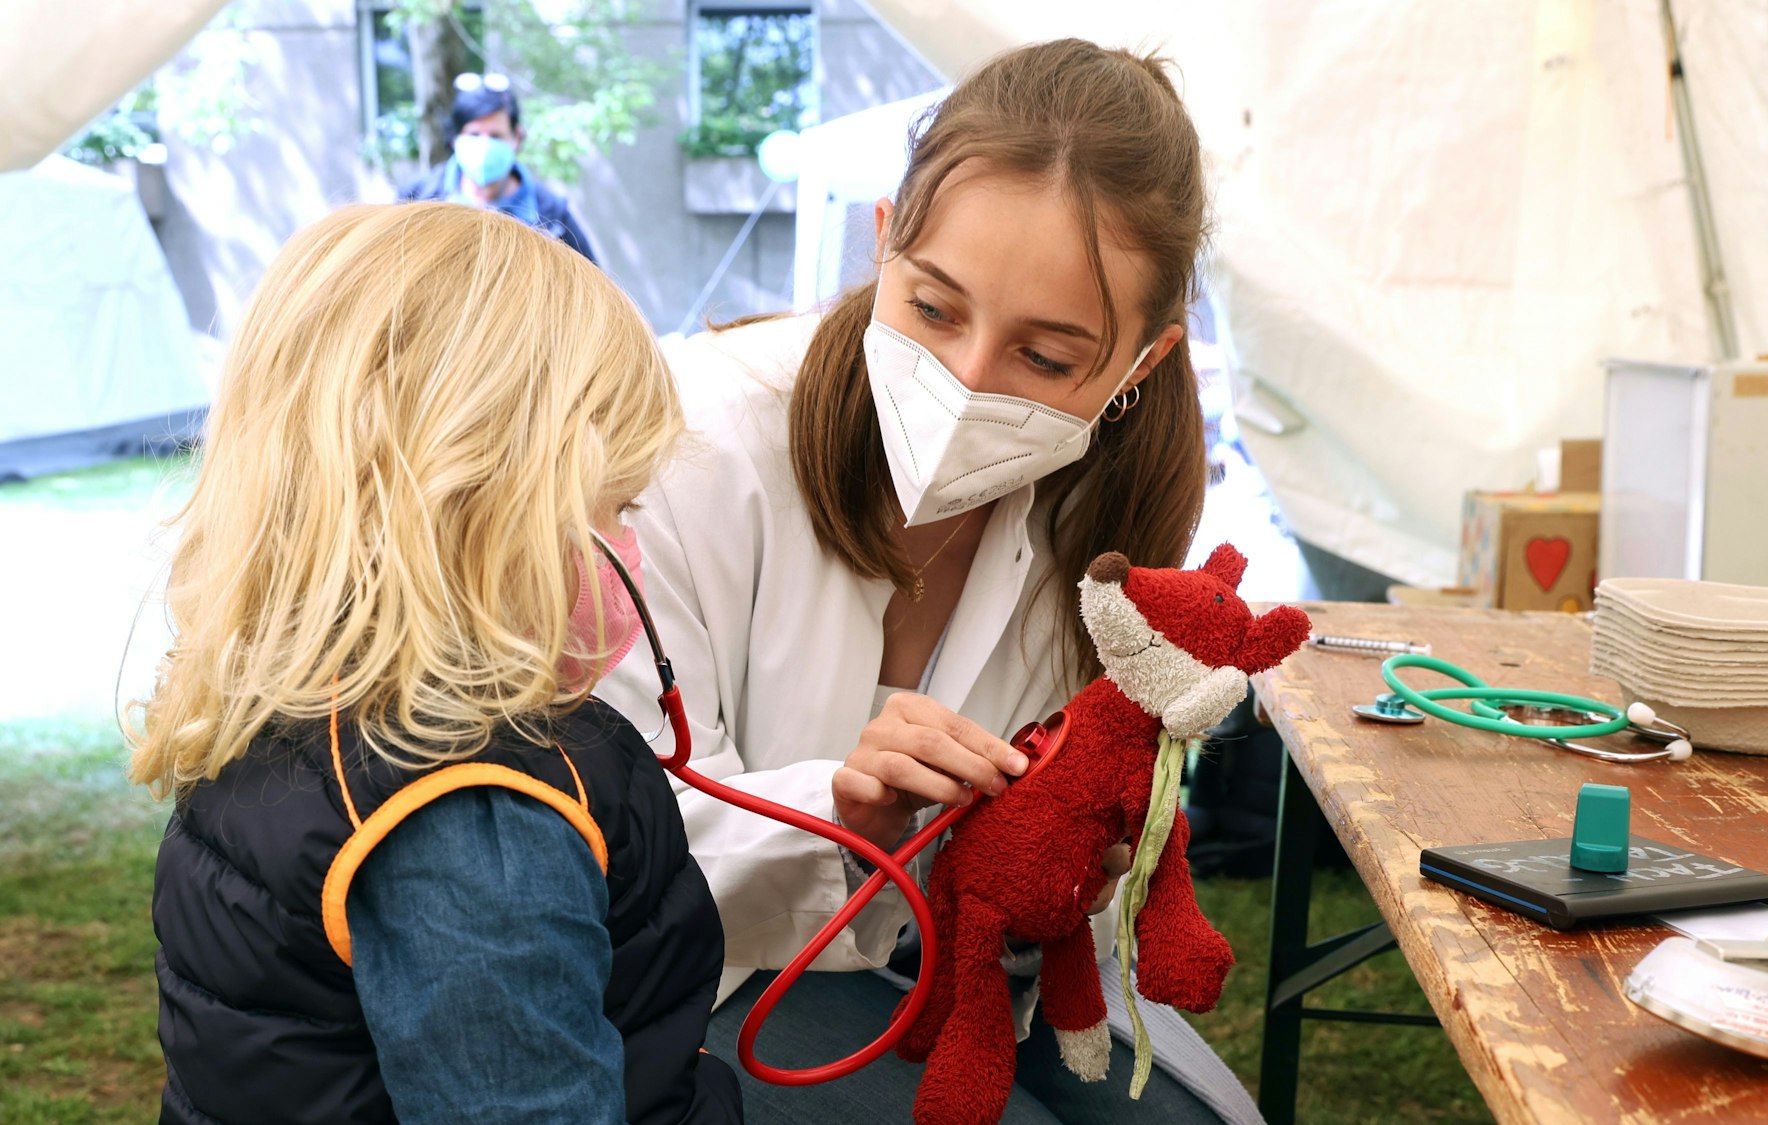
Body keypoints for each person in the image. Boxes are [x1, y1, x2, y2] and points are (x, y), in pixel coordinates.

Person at [598, 39, 1262, 1124]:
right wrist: (837, 808)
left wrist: (1083, 859)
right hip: (699, 968)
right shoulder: (684, 448)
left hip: (962, 960)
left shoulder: (1099, 531)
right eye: (933, 309)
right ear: (880, 241)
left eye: (1046, 361)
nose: (964, 383)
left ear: (1139, 367)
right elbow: (601, 843)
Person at [133, 202, 738, 1125]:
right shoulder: (470, 821)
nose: (628, 548)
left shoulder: (310, 711)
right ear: (479, 506)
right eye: (618, 505)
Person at [399, 73, 598, 263]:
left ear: (516, 138)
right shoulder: (417, 197)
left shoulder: (553, 216)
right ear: (454, 138)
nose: (484, 145)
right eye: (474, 134)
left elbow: (593, 286)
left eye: (495, 136)